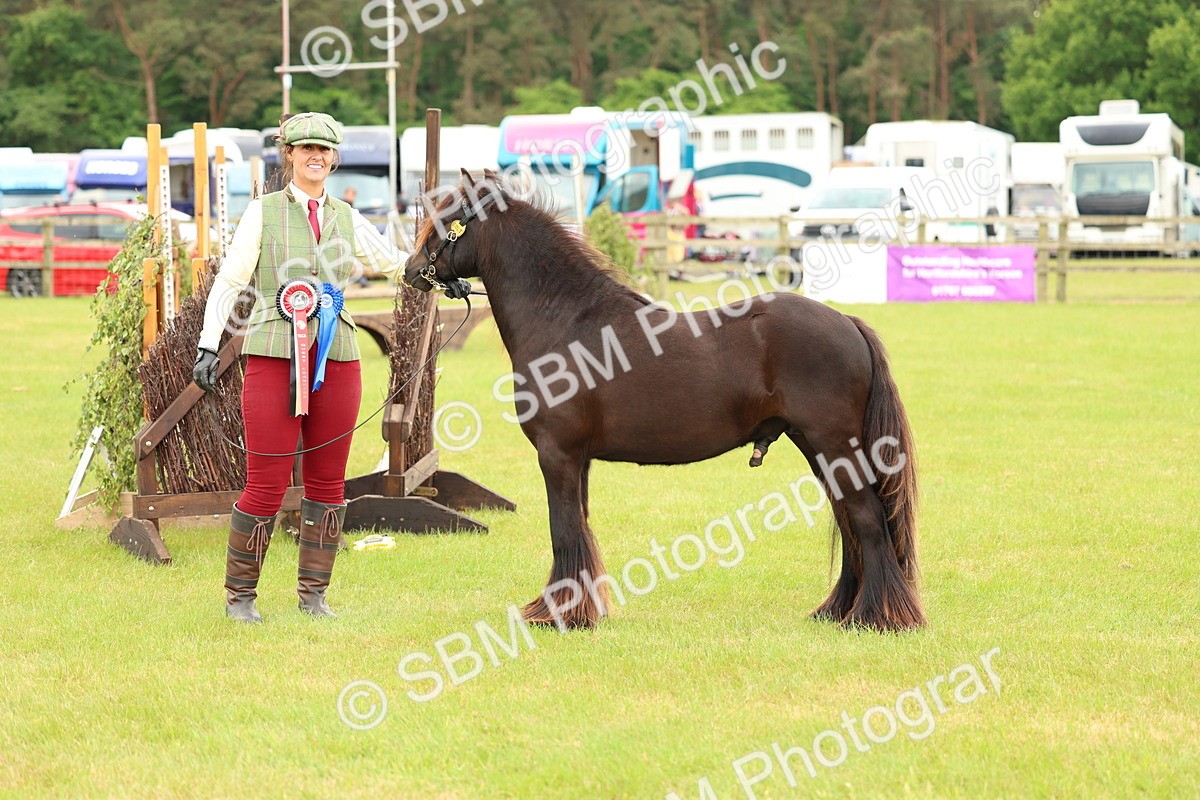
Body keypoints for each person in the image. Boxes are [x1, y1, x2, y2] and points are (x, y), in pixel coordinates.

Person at [192, 112, 466, 623]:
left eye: (324, 151)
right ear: (289, 156)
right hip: (274, 352)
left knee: (327, 482)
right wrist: (210, 345)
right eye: (305, 150)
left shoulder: (346, 215)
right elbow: (230, 281)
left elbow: (395, 264)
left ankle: (313, 596)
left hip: (337, 358)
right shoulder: (263, 212)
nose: (315, 157)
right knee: (267, 482)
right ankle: (241, 599)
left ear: (334, 159)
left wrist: (442, 276)